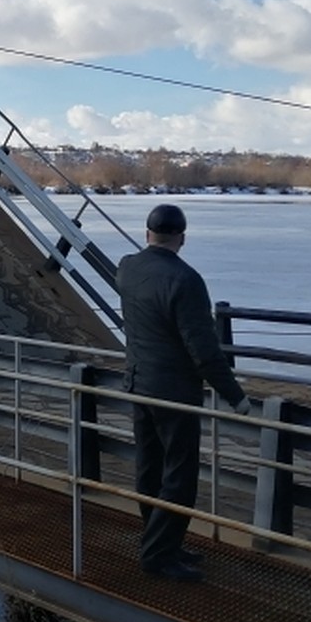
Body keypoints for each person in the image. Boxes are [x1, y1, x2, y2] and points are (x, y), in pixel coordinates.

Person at [116, 203, 251, 582]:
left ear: (147, 234)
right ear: (183, 238)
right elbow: (203, 351)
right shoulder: (186, 280)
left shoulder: (127, 267)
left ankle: (162, 543)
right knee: (178, 476)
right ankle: (158, 555)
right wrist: (235, 397)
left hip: (139, 385)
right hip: (174, 392)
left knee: (149, 469)